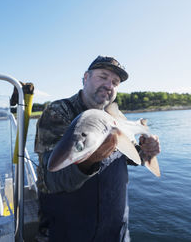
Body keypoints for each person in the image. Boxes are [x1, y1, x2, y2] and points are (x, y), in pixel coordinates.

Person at [34, 55, 160, 242]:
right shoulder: (57, 112)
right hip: (68, 230)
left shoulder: (116, 119)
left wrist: (147, 151)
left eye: (115, 82)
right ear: (86, 77)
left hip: (116, 230)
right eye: (103, 77)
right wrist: (90, 160)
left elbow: (132, 157)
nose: (109, 85)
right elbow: (51, 180)